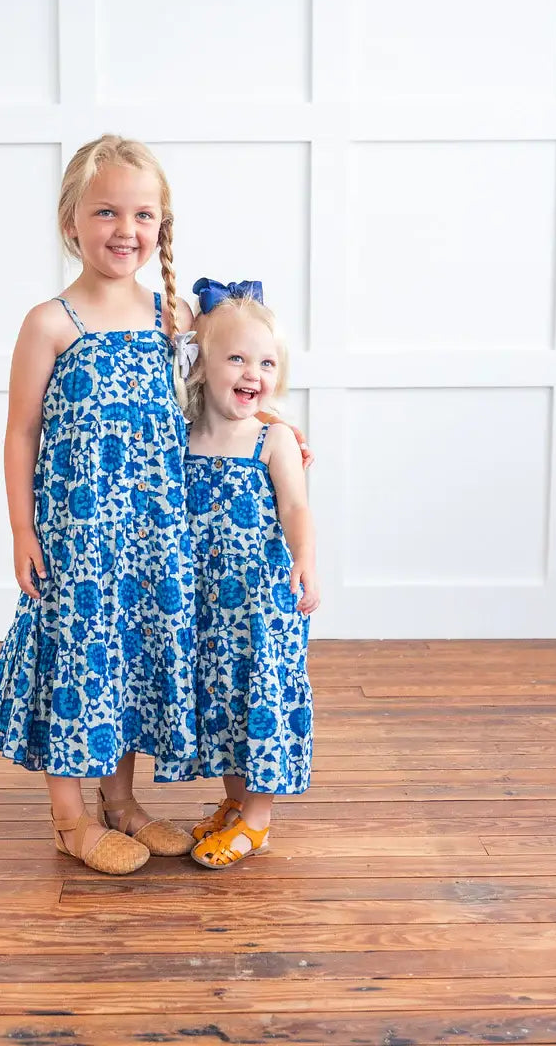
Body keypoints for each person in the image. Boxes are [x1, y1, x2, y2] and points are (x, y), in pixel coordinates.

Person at [0, 135, 197, 874]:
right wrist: (21, 529)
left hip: (153, 536)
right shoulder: (52, 323)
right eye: (106, 211)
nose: (125, 230)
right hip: (77, 538)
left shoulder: (175, 317)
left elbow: (233, 391)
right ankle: (69, 818)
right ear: (71, 221)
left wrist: (282, 430)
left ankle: (123, 802)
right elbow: (20, 432)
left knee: (130, 660)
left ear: (162, 225)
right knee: (77, 662)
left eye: (143, 214)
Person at [180, 278, 320, 868]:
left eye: (265, 362)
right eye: (235, 357)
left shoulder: (272, 437)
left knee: (257, 699)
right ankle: (235, 803)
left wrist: (305, 562)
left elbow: (295, 507)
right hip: (207, 602)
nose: (251, 373)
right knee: (222, 705)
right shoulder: (182, 434)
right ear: (200, 364)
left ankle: (258, 819)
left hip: (260, 600)